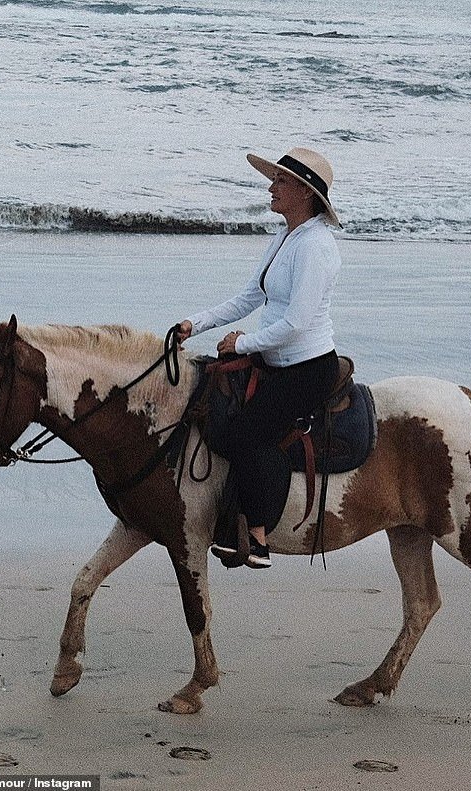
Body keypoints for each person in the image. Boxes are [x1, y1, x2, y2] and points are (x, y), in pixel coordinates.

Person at [177, 147, 342, 569]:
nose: (271, 188)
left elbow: (296, 323)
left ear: (305, 193)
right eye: (274, 180)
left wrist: (243, 344)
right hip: (274, 360)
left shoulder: (316, 246)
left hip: (307, 369)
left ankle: (258, 538)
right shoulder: (285, 237)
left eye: (281, 181)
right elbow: (250, 296)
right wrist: (196, 324)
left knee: (246, 434)